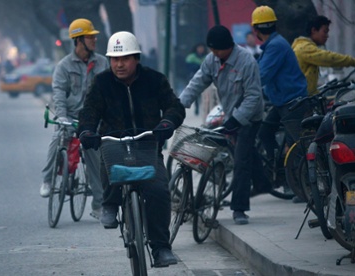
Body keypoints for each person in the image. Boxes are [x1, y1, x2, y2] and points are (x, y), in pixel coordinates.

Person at [77, 31, 185, 267]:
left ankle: (160, 248)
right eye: (115, 59)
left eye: (125, 58)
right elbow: (90, 111)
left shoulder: (155, 80)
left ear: (136, 58)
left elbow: (174, 106)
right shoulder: (102, 83)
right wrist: (86, 130)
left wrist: (166, 123)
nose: (119, 64)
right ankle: (110, 203)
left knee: (158, 192)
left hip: (147, 144)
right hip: (114, 144)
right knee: (107, 157)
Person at [179, 25, 264, 225]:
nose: (214, 54)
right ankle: (263, 183)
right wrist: (179, 104)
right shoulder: (212, 60)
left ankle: (239, 208)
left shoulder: (246, 62)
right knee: (246, 153)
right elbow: (197, 83)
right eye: (212, 50)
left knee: (241, 162)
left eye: (217, 50)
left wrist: (237, 119)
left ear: (229, 47)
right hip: (230, 114)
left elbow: (253, 96)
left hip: (250, 117)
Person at [40, 18, 108, 220]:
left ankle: (98, 205)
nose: (95, 40)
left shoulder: (102, 63)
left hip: (92, 119)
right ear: (78, 41)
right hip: (69, 116)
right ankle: (48, 181)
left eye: (95, 37)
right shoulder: (63, 66)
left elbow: (107, 92)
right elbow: (58, 93)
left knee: (95, 156)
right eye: (90, 37)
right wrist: (61, 117)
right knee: (57, 140)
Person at [251, 5, 309, 203]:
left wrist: (247, 92)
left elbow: (262, 75)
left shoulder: (275, 46)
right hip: (282, 100)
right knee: (265, 133)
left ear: (255, 30)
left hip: (293, 102)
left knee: (298, 146)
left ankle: (303, 188)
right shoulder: (273, 44)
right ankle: (280, 171)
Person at [291, 15, 355, 95]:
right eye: (325, 31)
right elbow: (329, 58)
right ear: (314, 30)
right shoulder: (304, 48)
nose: (327, 35)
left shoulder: (303, 46)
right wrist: (352, 61)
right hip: (301, 99)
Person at [185, 43, 208, 115]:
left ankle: (203, 107)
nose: (200, 49)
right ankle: (197, 107)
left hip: (205, 78)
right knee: (195, 93)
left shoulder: (207, 57)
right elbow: (189, 67)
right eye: (199, 48)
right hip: (193, 77)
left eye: (202, 48)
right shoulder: (191, 57)